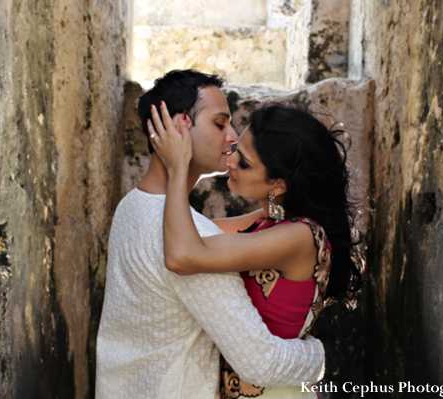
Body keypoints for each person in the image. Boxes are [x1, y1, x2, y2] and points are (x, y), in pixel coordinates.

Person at [96, 70, 326, 399]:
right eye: (220, 124)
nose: (232, 136)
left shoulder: (131, 208)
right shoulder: (193, 241)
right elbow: (261, 362)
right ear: (178, 128)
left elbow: (258, 223)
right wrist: (317, 356)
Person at [147, 100, 365, 398]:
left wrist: (178, 167)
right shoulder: (265, 224)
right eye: (237, 149)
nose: (231, 161)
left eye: (245, 162)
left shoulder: (300, 236)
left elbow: (182, 255)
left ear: (278, 184)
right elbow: (187, 233)